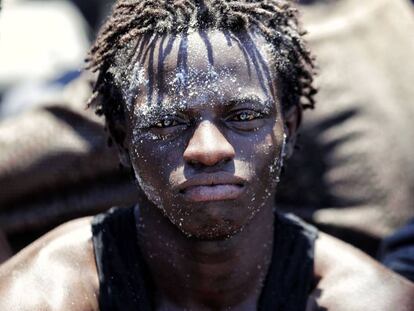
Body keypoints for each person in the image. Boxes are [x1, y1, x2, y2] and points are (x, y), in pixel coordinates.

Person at [0, 1, 413, 310]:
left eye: (245, 117)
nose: (209, 149)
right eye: (167, 123)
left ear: (289, 126)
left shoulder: (366, 297)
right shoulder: (46, 291)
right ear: (120, 140)